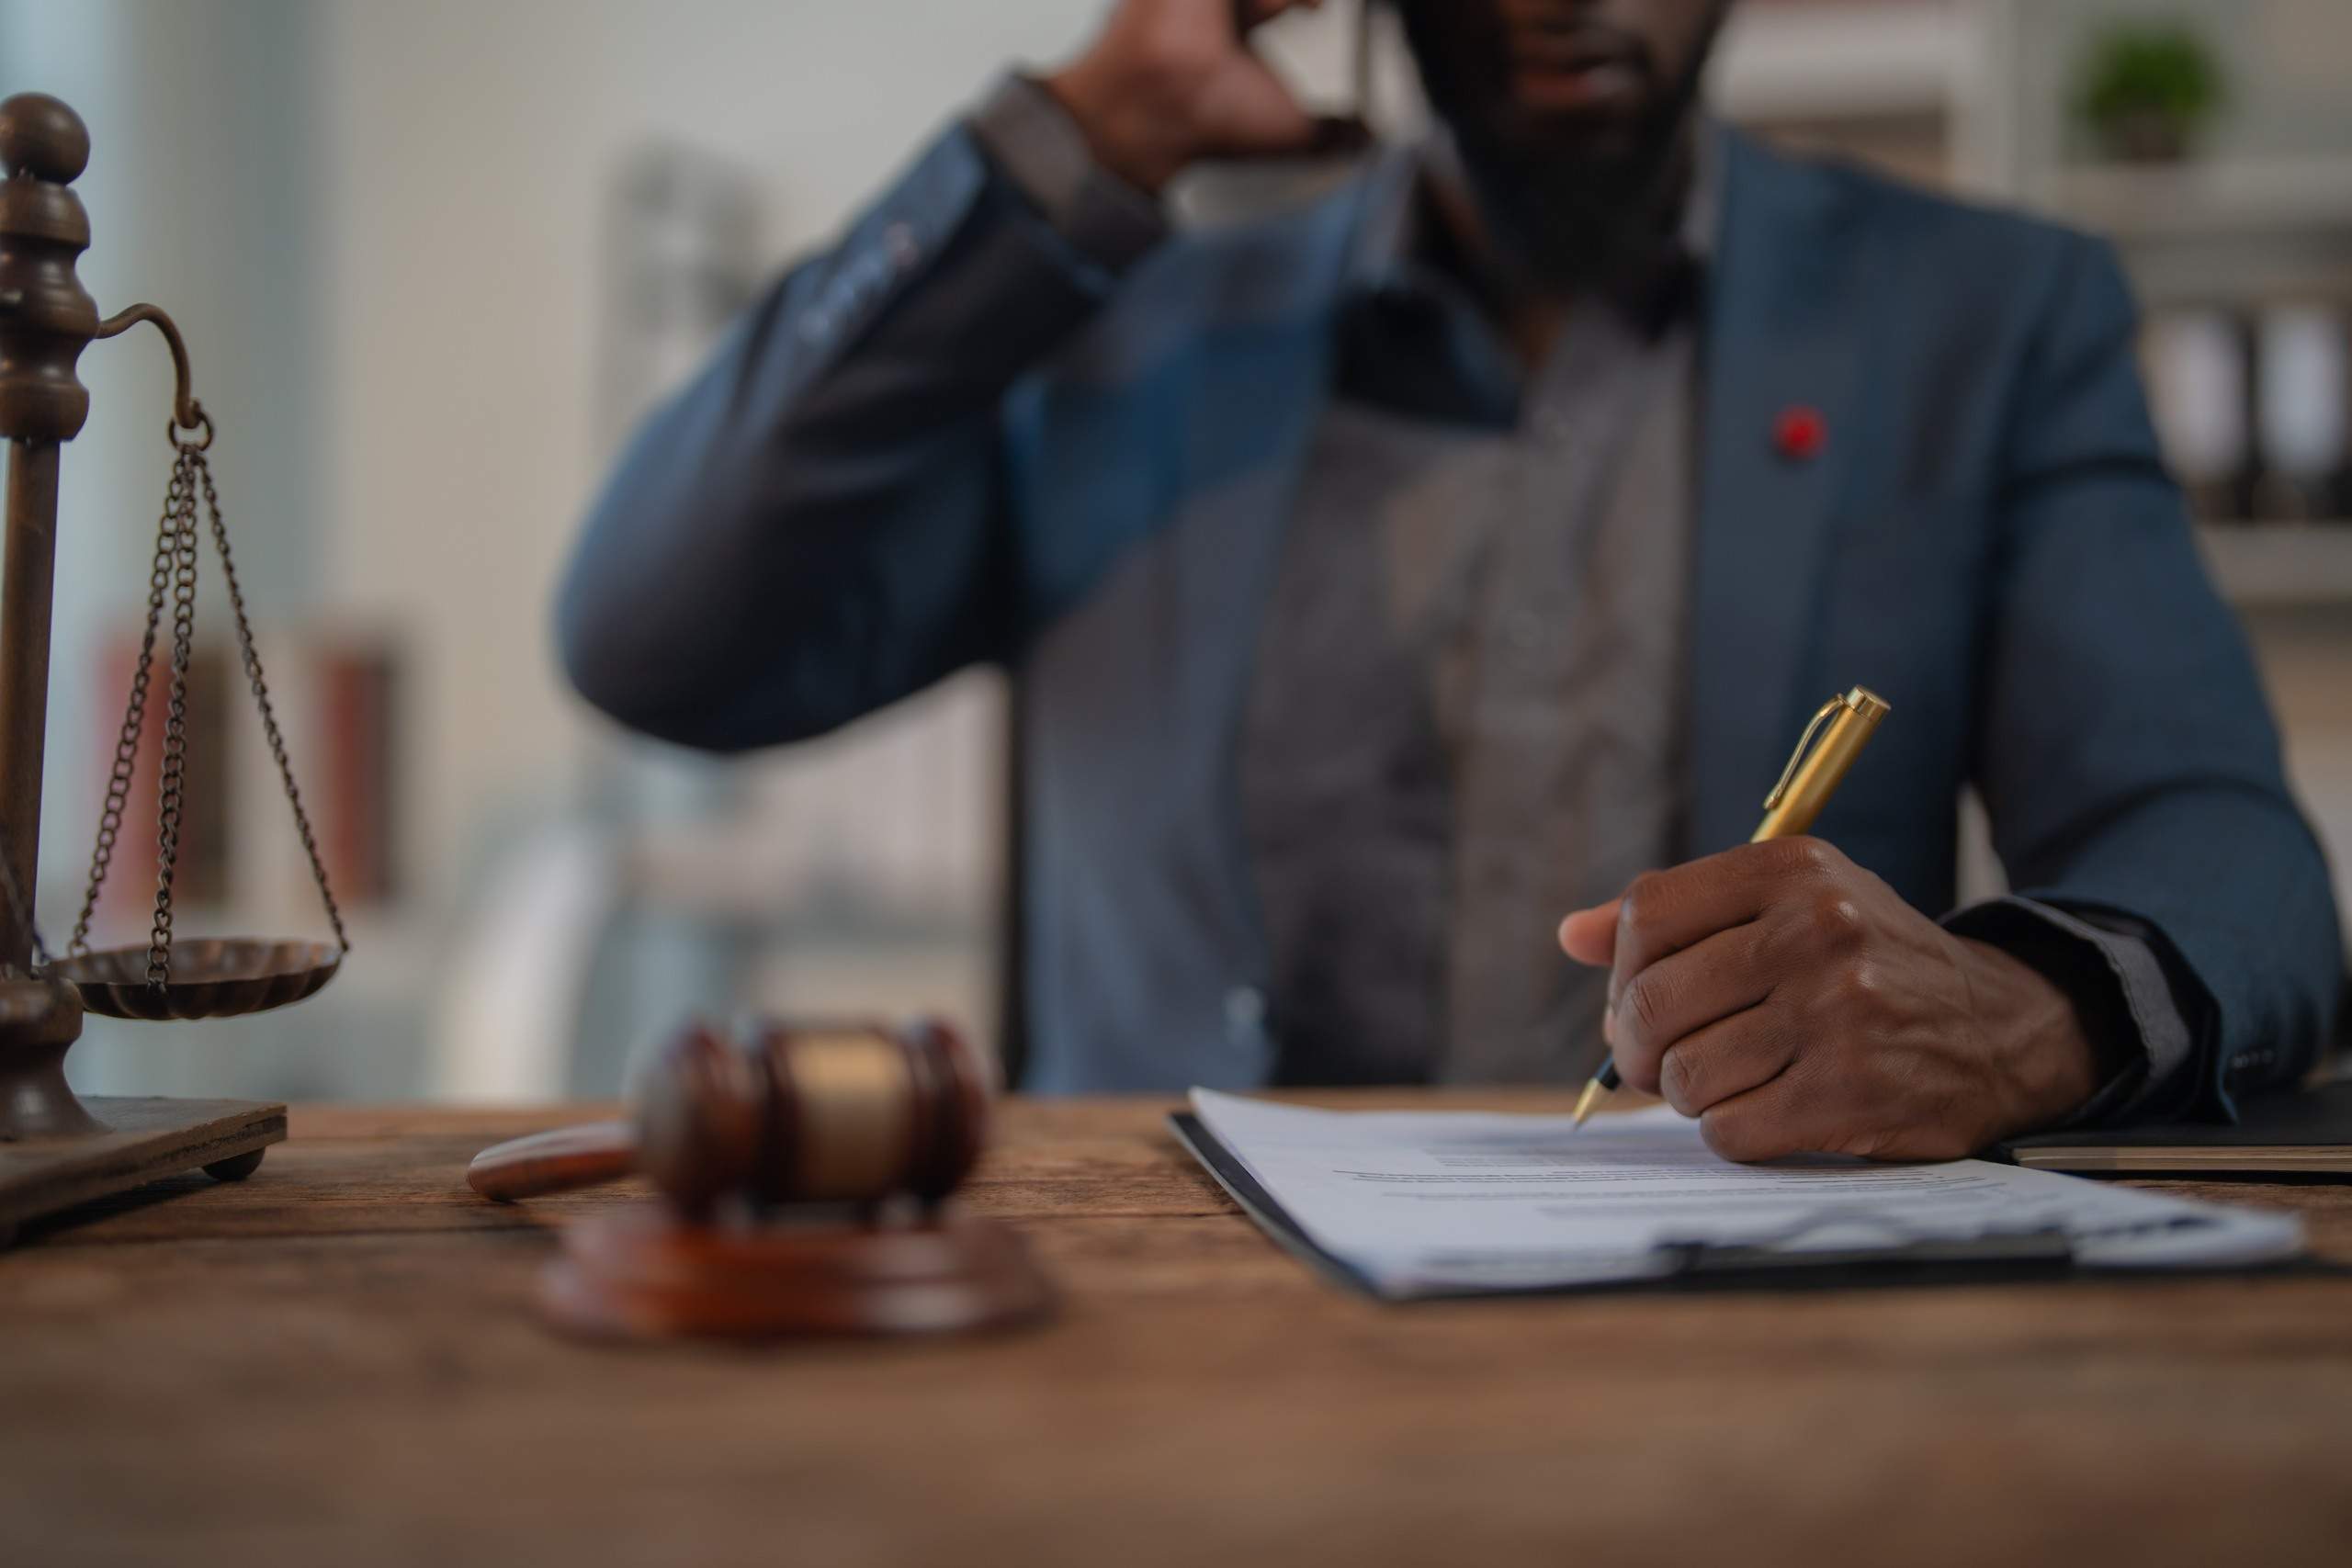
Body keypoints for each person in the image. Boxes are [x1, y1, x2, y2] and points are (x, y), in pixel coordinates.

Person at [558, 0, 2342, 1159]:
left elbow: (2227, 854)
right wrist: (1094, 123)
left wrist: (2018, 1014)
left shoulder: (1978, 320)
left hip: (1753, 1354)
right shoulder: (1121, 331)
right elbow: (654, 635)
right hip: (1148, 1347)